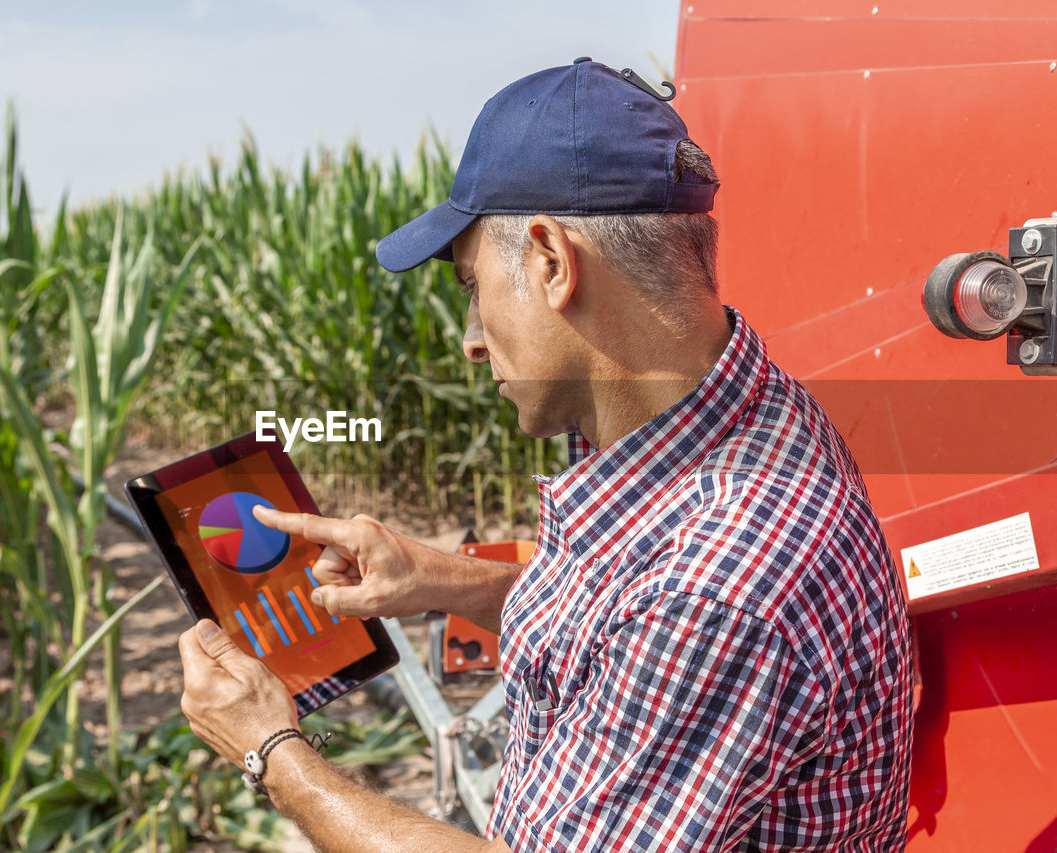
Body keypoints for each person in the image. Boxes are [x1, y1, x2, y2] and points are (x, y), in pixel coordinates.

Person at [178, 58, 914, 851]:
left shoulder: (716, 588)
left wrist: (272, 751)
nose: (469, 337)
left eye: (472, 284)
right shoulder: (744, 411)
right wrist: (437, 579)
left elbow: (673, 619)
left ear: (552, 261)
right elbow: (616, 622)